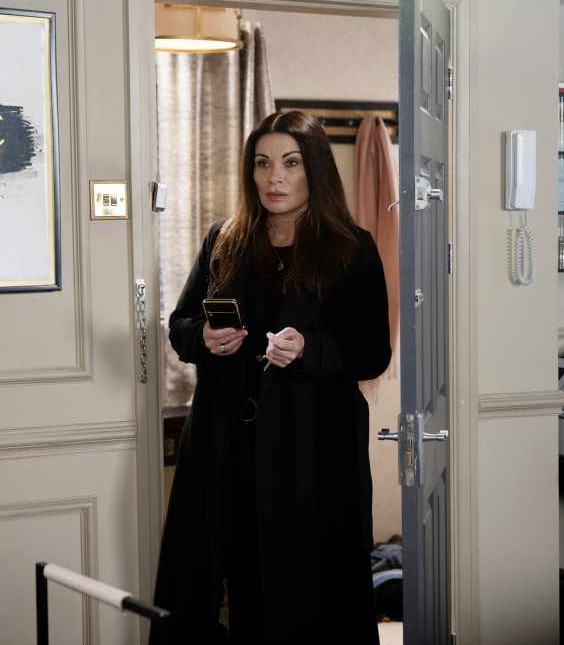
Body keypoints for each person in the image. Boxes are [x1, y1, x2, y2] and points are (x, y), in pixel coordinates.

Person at [150, 111, 392, 644]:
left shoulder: (352, 248)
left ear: (315, 170)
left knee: (309, 590)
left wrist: (310, 349)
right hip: (225, 443)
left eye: (290, 163)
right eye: (262, 164)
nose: (274, 177)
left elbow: (372, 354)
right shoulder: (225, 239)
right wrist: (203, 338)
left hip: (313, 451)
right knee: (222, 578)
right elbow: (182, 324)